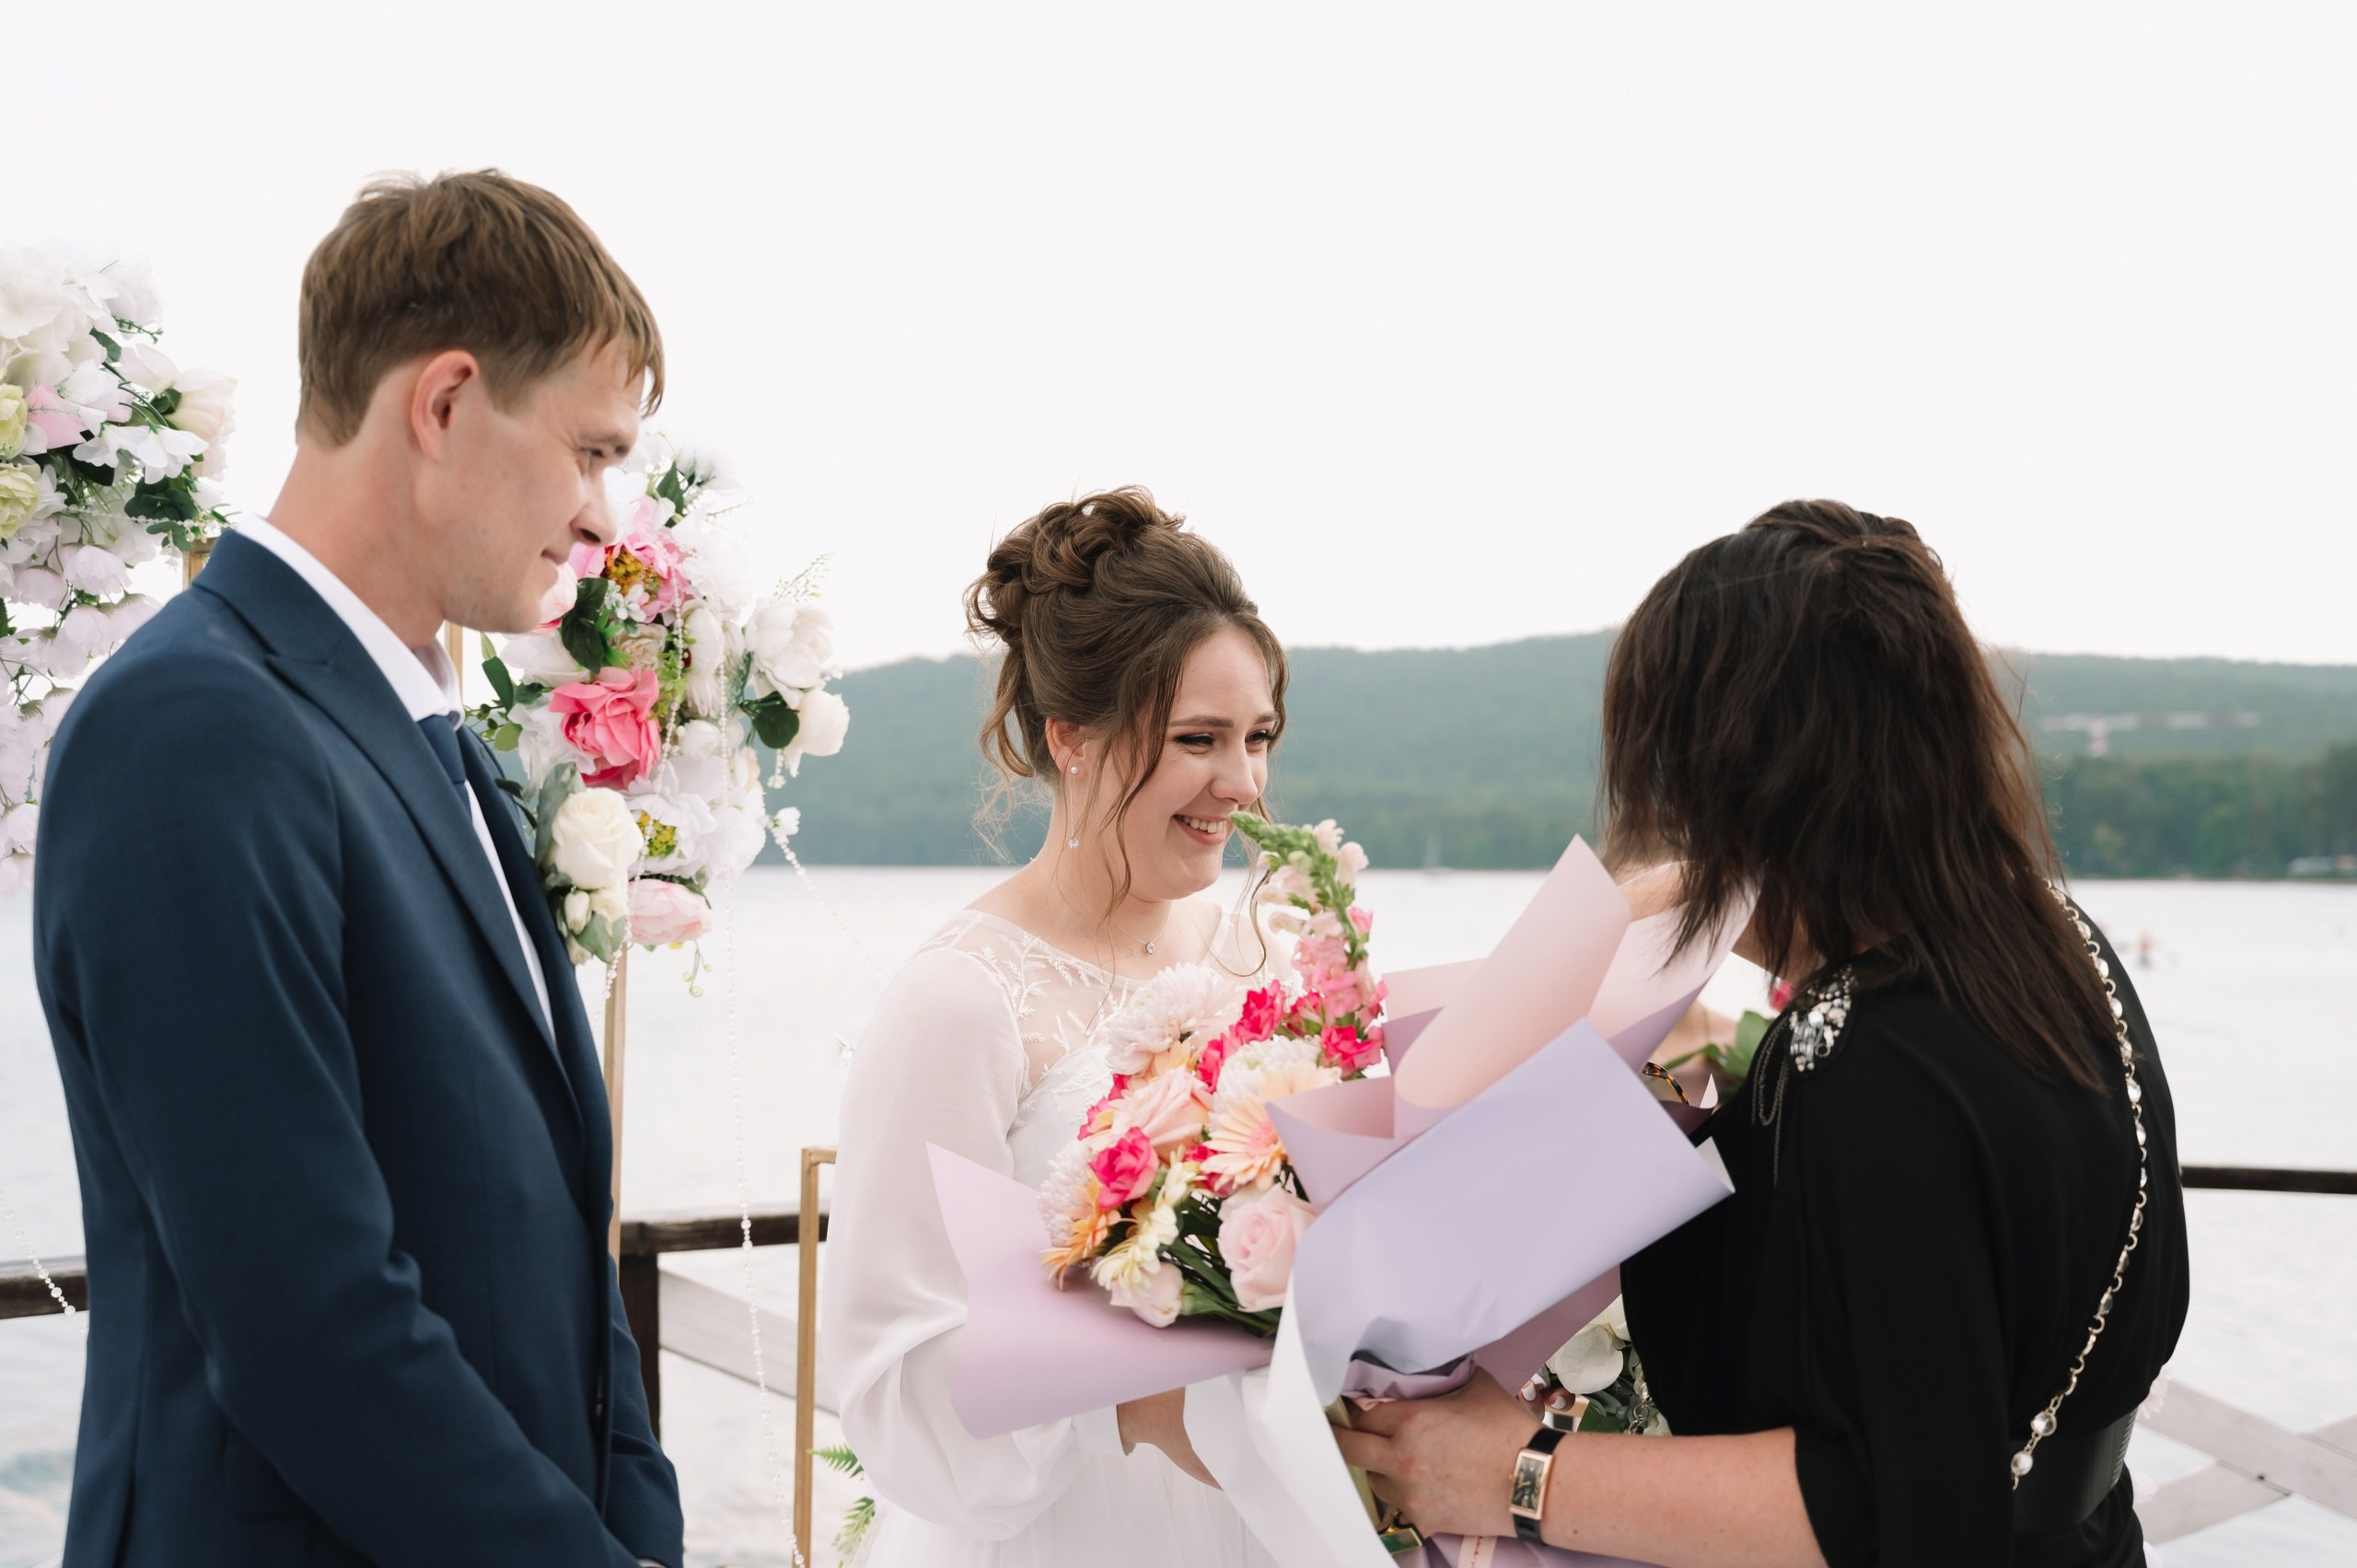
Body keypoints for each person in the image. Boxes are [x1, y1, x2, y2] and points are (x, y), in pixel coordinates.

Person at [33, 172, 684, 1567]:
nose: (606, 515)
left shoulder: (428, 730)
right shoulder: (193, 727)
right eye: (588, 451)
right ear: (444, 403)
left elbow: (568, 1253)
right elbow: (306, 1317)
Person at [1337, 502, 2189, 1567]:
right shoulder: (2059, 955)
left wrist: (1516, 1472)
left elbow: (1893, 1502)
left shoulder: (1869, 1063)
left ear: (1749, 782)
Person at [823, 487, 1285, 1566]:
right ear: (1072, 737)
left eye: (1258, 736)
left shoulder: (1246, 952)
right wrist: (1128, 1408)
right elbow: (889, 1370)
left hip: (1253, 1511)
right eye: (1199, 738)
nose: (1245, 782)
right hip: (1067, 1529)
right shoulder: (959, 998)